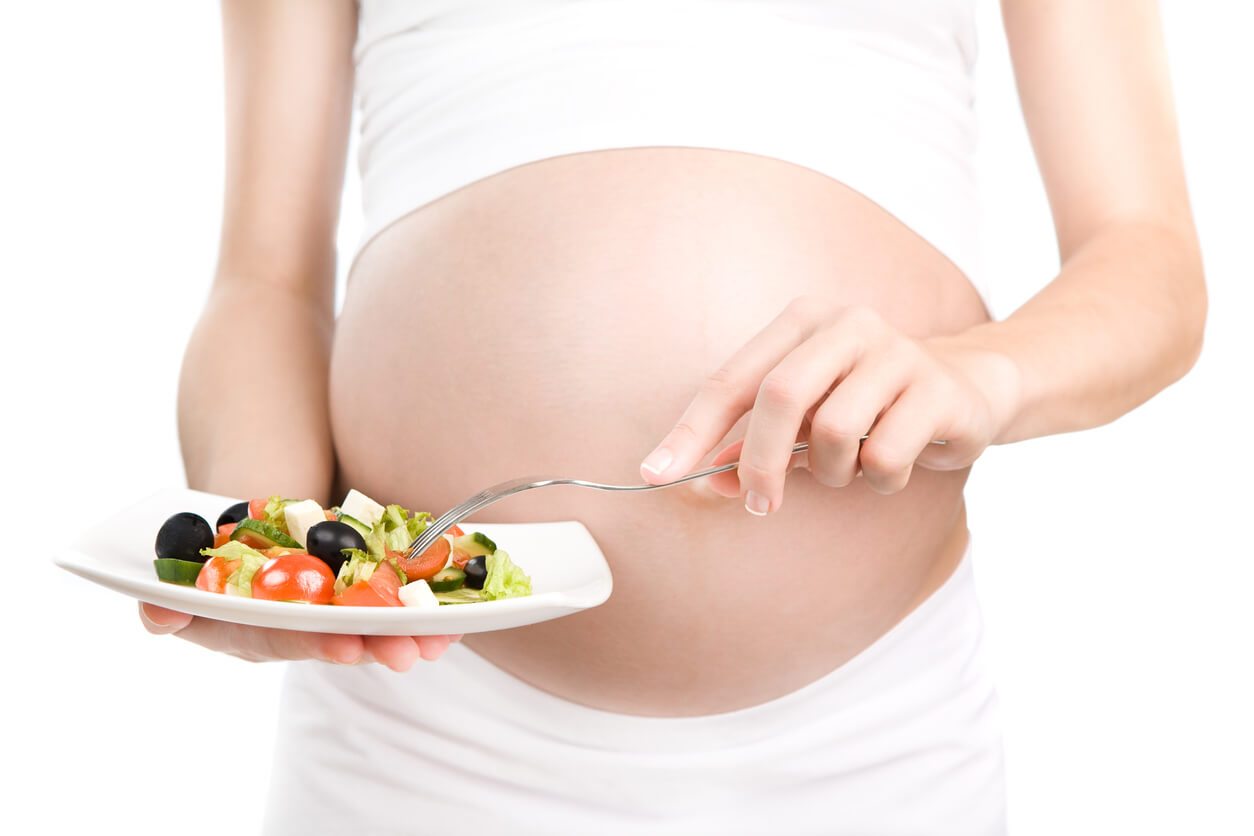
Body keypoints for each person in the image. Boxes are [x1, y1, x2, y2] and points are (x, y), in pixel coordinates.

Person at [138, 0, 1206, 832]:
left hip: (869, 740)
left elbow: (1149, 261)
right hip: (421, 736)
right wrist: (265, 544)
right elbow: (264, 281)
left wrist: (985, 372)